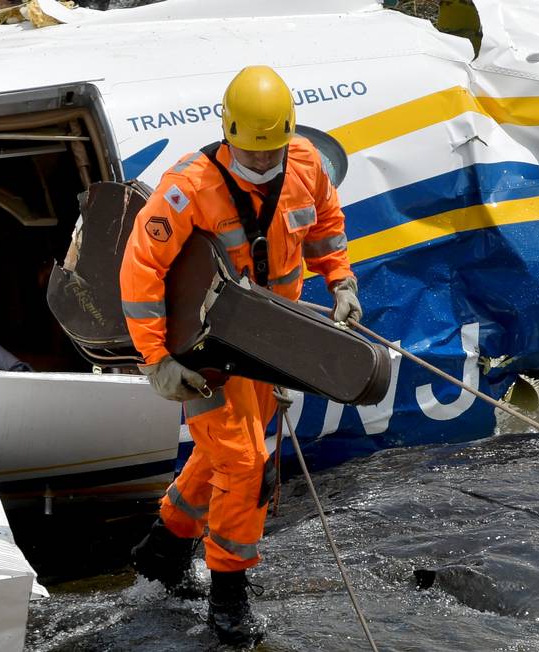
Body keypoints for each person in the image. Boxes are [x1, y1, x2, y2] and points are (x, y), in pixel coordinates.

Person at [118, 65, 361, 647]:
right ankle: (228, 598)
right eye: (250, 154)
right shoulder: (188, 188)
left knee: (229, 453)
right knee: (245, 464)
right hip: (206, 349)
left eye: (270, 151)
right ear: (227, 132)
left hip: (271, 343)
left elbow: (325, 225)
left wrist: (341, 280)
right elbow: (140, 269)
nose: (260, 162)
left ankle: (164, 547)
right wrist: (156, 360)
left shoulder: (306, 167)